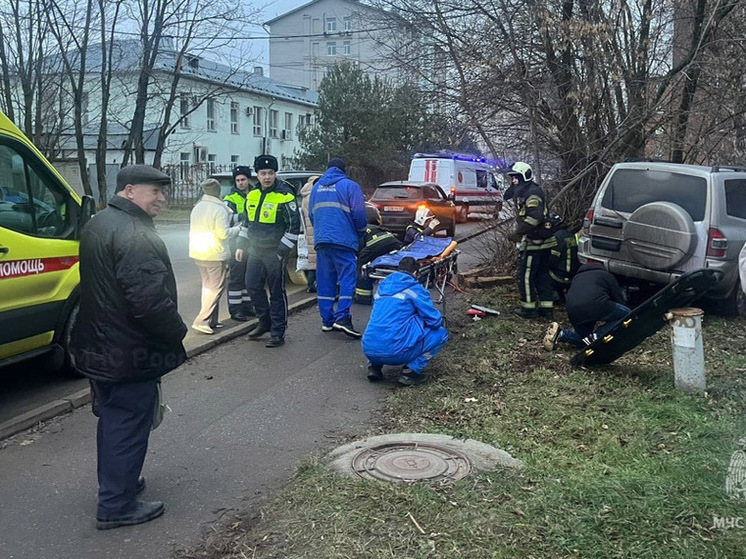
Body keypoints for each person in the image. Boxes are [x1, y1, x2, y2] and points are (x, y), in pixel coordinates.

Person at [70, 165, 187, 530]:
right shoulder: (135, 233)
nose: (162, 199)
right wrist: (177, 331)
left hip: (101, 344)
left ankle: (119, 483)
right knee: (128, 422)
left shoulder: (99, 223)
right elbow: (149, 301)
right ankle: (116, 505)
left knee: (113, 418)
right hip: (129, 350)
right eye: (156, 192)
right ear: (131, 190)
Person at [236, 154, 300, 348]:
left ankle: (278, 332)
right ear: (257, 175)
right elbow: (247, 224)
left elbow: (293, 227)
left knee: (276, 293)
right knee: (252, 285)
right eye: (263, 173)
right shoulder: (252, 195)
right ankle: (264, 322)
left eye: (270, 173)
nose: (267, 177)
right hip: (255, 250)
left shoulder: (285, 195)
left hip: (275, 253)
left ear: (275, 174)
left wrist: (281, 252)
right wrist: (240, 245)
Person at [362, 257, 448, 386]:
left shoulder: (381, 288)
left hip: (369, 349)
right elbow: (434, 320)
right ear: (416, 273)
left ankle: (374, 367)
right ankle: (410, 372)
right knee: (441, 334)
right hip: (396, 352)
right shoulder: (415, 289)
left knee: (385, 321)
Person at [309, 158, 367, 338]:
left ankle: (327, 321)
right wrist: (360, 233)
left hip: (322, 240)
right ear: (344, 170)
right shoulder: (350, 186)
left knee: (325, 280)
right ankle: (342, 317)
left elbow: (312, 214)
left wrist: (322, 233)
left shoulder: (316, 188)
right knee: (347, 278)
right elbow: (358, 215)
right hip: (343, 240)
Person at [506, 161, 558, 319]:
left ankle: (529, 309)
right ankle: (546, 309)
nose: (513, 181)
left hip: (535, 245)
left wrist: (517, 233)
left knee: (526, 276)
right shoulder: (530, 191)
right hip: (544, 244)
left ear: (523, 176)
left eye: (515, 177)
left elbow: (533, 219)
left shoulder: (532, 194)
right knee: (542, 276)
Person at [189, 178, 241, 334]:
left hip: (199, 251)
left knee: (207, 286)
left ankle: (212, 320)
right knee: (216, 288)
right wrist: (238, 229)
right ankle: (202, 320)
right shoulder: (219, 209)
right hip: (214, 253)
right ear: (218, 192)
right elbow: (223, 234)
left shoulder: (197, 207)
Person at [544, 262, 630, 350]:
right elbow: (617, 297)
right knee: (627, 314)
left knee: (584, 340)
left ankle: (561, 334)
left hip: (573, 310)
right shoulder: (606, 275)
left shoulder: (577, 278)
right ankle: (597, 336)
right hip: (597, 305)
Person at [223, 166, 255, 321]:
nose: (241, 183)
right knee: (236, 277)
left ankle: (248, 307)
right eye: (238, 180)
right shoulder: (230, 199)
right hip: (236, 243)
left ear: (248, 180)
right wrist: (245, 216)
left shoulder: (256, 194)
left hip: (253, 242)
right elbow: (227, 219)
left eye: (243, 179)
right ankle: (235, 310)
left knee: (249, 277)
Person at [354, 204, 403, 304]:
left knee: (361, 266)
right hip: (393, 241)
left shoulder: (361, 229)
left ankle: (363, 296)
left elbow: (359, 248)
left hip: (375, 244)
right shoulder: (376, 227)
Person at [299, 175, 320, 292]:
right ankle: (313, 284)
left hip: (308, 230)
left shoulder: (305, 195)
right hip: (315, 229)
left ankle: (310, 284)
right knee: (316, 259)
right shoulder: (314, 195)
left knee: (311, 259)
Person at [548, 227, 580, 304]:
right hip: (571, 278)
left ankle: (554, 296)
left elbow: (552, 261)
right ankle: (562, 296)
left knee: (540, 273)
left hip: (557, 277)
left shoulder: (557, 237)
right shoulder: (571, 237)